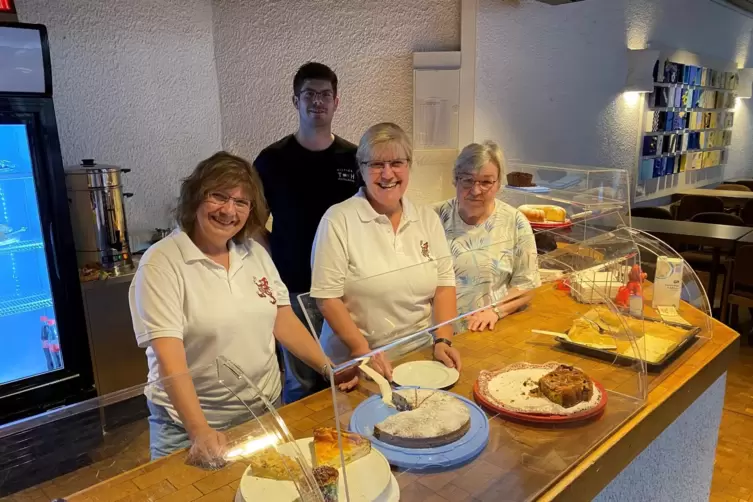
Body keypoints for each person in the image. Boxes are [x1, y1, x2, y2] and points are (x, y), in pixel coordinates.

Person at [129, 152, 353, 463]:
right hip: (189, 426)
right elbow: (170, 359)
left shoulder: (254, 253)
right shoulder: (162, 262)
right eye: (218, 196)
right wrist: (199, 430)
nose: (228, 210)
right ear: (195, 197)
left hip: (263, 411)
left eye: (241, 202)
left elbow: (282, 319)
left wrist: (330, 369)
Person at [310, 123, 462, 379]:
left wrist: (443, 340)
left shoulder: (426, 219)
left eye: (396, 163)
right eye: (377, 164)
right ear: (362, 169)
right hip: (357, 364)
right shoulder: (338, 220)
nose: (388, 174)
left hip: (419, 355)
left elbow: (444, 286)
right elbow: (327, 299)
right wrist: (362, 352)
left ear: (409, 165)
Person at [254, 62, 359, 403]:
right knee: (300, 384)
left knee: (345, 375)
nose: (318, 101)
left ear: (336, 101)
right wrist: (273, 256)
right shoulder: (272, 160)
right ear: (295, 101)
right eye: (309, 94)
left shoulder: (354, 157)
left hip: (344, 289)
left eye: (325, 94)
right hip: (292, 287)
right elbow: (251, 220)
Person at [435, 141, 540, 332]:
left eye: (485, 182)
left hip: (485, 332)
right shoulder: (433, 217)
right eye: (467, 180)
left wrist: (496, 311)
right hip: (435, 334)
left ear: (498, 183)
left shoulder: (516, 222)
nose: (475, 191)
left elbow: (527, 284)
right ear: (455, 179)